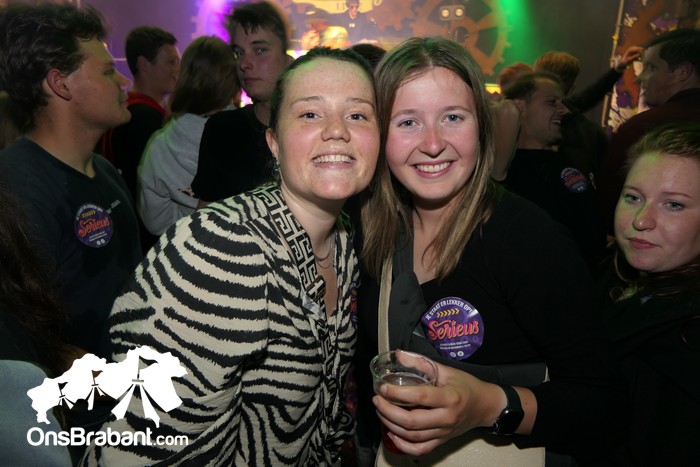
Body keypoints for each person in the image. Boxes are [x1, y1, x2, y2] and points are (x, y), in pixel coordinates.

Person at [82, 47, 379, 466]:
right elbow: (146, 451)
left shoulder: (343, 242)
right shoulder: (221, 247)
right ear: (274, 143)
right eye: (310, 114)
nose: (337, 131)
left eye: (358, 114)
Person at [356, 37, 628, 464]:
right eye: (407, 122)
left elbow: (604, 404)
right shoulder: (379, 230)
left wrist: (488, 406)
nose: (432, 143)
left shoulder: (527, 241)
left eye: (453, 117)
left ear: (481, 126)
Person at [0, 3, 142, 360]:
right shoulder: (16, 189)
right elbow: (22, 337)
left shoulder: (102, 169)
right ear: (60, 83)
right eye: (108, 72)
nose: (124, 82)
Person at [597, 122, 700, 465]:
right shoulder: (612, 275)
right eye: (633, 197)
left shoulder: (686, 341)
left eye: (674, 205)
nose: (641, 220)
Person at [502, 71, 607, 271]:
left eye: (562, 102)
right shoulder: (503, 174)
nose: (563, 110)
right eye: (552, 102)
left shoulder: (569, 159)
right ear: (520, 107)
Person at [599, 28, 700, 234]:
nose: (639, 78)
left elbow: (608, 206)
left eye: (651, 67)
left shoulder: (642, 128)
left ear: (683, 72)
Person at [192, 1, 292, 207]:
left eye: (260, 50)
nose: (244, 64)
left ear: (287, 58)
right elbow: (205, 216)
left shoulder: (314, 129)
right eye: (239, 53)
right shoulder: (222, 130)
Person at [138, 36, 240, 236]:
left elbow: (154, 220)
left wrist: (190, 224)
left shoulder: (161, 145)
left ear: (185, 77)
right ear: (232, 79)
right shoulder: (252, 134)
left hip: (189, 246)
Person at [534, 48, 642, 181]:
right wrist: (618, 69)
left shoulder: (518, 117)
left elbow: (591, 94)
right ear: (571, 88)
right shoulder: (591, 133)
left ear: (533, 81)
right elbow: (591, 94)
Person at [100, 26, 180, 199]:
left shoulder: (124, 109)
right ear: (144, 64)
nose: (178, 69)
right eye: (171, 62)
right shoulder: (144, 117)